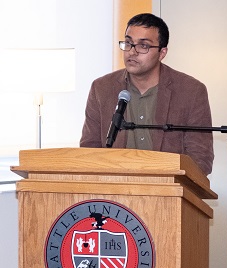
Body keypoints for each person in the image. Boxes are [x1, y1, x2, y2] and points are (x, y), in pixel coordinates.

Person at [80, 13, 214, 175]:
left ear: (162, 53)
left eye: (143, 46)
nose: (132, 52)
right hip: (114, 190)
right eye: (128, 43)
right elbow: (89, 151)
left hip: (168, 191)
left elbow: (200, 159)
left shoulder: (191, 91)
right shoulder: (101, 88)